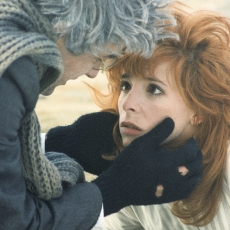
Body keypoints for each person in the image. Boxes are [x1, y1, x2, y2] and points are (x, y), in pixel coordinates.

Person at [0, 0, 204, 229]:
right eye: (98, 56)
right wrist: (114, 191)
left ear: (200, 110)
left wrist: (57, 143)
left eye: (154, 89)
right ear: (73, 29)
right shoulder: (12, 72)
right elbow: (15, 222)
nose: (92, 72)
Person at [45, 1, 230, 229]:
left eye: (154, 89)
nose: (128, 104)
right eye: (125, 85)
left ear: (200, 109)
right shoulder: (138, 170)